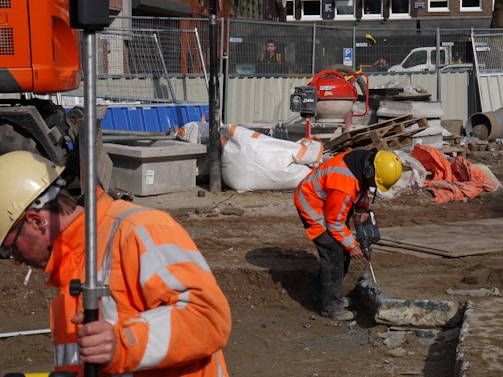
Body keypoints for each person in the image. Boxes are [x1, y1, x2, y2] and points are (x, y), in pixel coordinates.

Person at [0, 151, 232, 376]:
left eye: (12, 248)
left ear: (36, 221)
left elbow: (208, 317)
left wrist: (122, 343)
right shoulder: (69, 280)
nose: (17, 261)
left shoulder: (138, 231)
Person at [294, 149, 402, 321]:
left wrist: (362, 207)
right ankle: (331, 307)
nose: (374, 186)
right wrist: (352, 245)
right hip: (312, 205)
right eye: (374, 182)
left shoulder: (363, 163)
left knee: (342, 250)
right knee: (333, 252)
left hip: (329, 203)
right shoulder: (344, 184)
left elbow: (362, 187)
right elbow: (334, 223)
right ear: (370, 172)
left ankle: (327, 295)